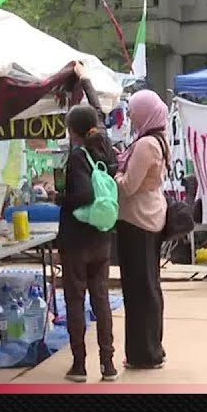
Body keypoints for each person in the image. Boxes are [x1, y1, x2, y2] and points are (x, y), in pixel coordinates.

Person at [54, 104, 120, 382]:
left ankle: (79, 364)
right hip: (102, 236)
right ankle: (108, 364)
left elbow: (82, 195)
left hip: (77, 240)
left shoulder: (79, 156)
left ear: (72, 131)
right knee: (101, 298)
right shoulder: (106, 151)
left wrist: (58, 198)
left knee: (75, 299)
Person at [114, 89, 170, 369]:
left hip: (138, 220)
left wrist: (114, 175)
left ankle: (144, 354)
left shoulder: (146, 144)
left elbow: (127, 187)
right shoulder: (157, 138)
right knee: (148, 287)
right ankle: (151, 349)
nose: (132, 116)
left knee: (139, 291)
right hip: (150, 217)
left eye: (135, 111)